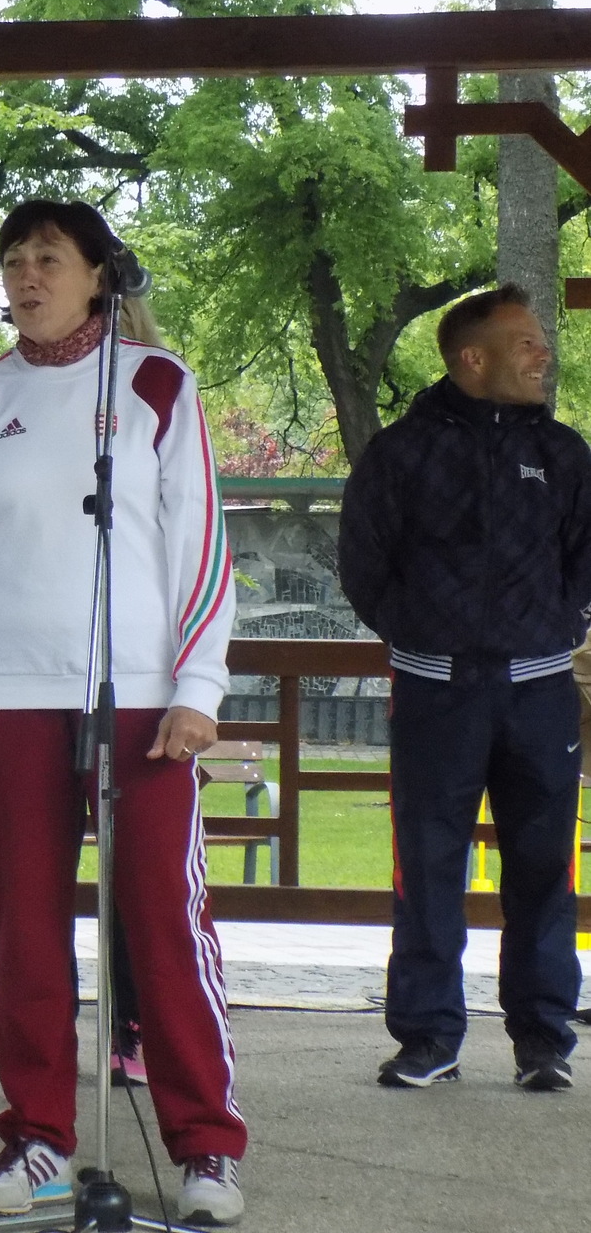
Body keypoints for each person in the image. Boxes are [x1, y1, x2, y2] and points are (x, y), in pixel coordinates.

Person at [0, 200, 245, 1225]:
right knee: (23, 926)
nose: (27, 276)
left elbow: (201, 543)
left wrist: (198, 689)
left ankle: (206, 1147)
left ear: (99, 274)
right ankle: (39, 1138)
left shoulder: (157, 383)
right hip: (10, 697)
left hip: (140, 700)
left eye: (49, 258)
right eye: (14, 259)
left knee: (164, 920)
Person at [339, 283, 587, 1094]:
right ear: (472, 358)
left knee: (543, 870)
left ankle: (542, 1040)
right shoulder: (398, 453)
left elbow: (584, 559)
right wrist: (419, 634)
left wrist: (555, 625)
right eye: (526, 343)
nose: (542, 354)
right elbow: (363, 565)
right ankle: (427, 1038)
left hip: (539, 695)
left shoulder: (564, 453)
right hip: (434, 696)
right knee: (426, 868)